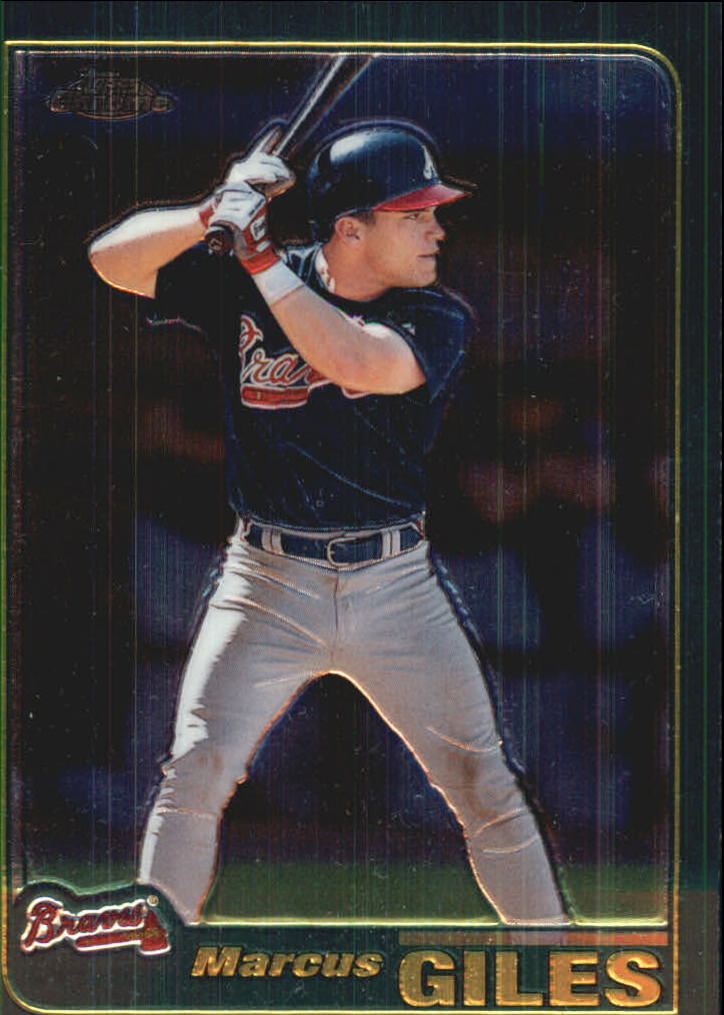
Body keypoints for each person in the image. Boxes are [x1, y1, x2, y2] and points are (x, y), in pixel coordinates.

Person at [89, 123, 568, 930]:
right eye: (415, 214)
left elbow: (357, 361)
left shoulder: (433, 314)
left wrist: (259, 261)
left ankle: (550, 959)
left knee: (483, 785)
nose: (437, 230)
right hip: (264, 582)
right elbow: (111, 260)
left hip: (395, 586)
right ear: (351, 229)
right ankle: (156, 957)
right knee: (196, 770)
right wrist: (209, 210)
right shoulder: (253, 276)